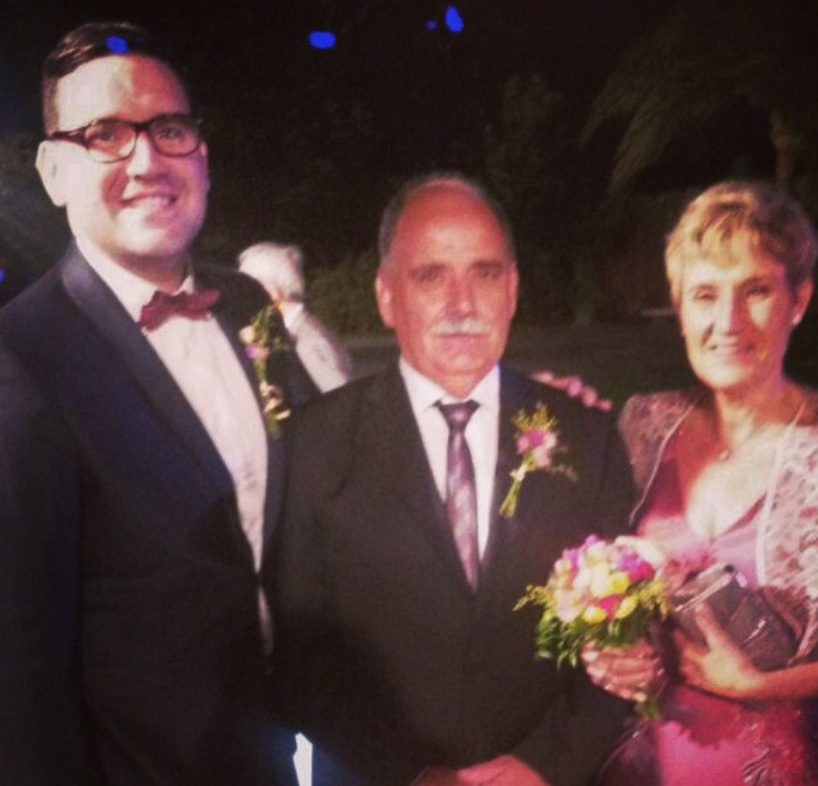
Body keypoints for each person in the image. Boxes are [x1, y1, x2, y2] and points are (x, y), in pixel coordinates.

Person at [0, 22, 316, 786]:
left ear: (200, 154)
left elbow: (326, 472)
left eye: (168, 129)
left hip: (282, 754)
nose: (146, 162)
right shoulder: (20, 359)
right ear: (54, 171)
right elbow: (20, 670)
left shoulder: (248, 306)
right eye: (105, 135)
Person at [267, 173, 634, 786]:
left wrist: (547, 764)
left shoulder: (586, 437)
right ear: (387, 296)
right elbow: (302, 654)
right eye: (431, 277)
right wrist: (409, 775)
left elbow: (623, 635)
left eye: (484, 274)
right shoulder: (315, 444)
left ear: (512, 290)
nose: (462, 305)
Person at [583, 181, 818, 786]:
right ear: (680, 308)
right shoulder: (645, 425)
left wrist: (763, 686)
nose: (727, 321)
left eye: (756, 290)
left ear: (799, 300)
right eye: (705, 295)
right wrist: (611, 651)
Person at [238, 241, 353, 392]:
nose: (243, 298)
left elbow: (339, 398)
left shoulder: (308, 340)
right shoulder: (286, 331)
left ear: (273, 292)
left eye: (249, 289)